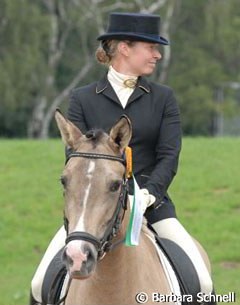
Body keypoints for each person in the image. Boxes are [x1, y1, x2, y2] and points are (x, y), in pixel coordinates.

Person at [30, 12, 215, 305]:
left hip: (153, 208)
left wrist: (149, 195)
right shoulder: (82, 98)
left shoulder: (163, 97)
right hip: (92, 210)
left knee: (203, 284)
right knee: (40, 283)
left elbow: (169, 155)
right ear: (125, 48)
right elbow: (76, 158)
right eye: (151, 47)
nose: (157, 55)